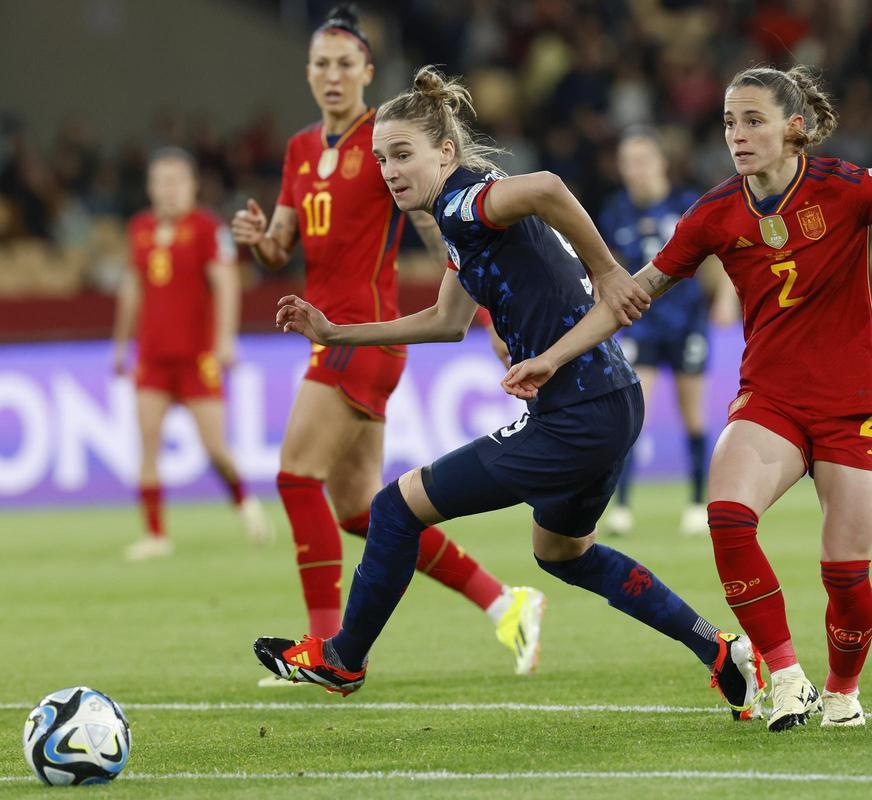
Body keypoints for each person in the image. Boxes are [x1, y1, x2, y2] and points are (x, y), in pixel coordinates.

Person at [504, 64, 872, 731]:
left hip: (854, 403)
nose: (736, 136)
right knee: (727, 516)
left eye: (752, 121)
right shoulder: (714, 213)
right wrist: (551, 357)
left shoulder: (843, 185)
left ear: (793, 128)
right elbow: (633, 294)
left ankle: (842, 691)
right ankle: (786, 676)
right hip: (770, 398)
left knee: (845, 575)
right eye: (728, 123)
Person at [251, 66, 767, 722]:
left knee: (394, 508)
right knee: (563, 553)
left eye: (403, 155)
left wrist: (609, 272)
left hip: (576, 411)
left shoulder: (464, 203)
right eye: (381, 159)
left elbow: (547, 187)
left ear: (444, 151)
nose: (389, 171)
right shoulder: (460, 213)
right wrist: (334, 331)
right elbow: (446, 322)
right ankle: (719, 649)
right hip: (608, 401)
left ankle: (343, 658)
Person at [229, 6, 543, 681]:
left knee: (294, 476)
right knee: (358, 512)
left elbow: (441, 230)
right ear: (308, 73)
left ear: (367, 71)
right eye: (321, 64)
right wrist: (260, 242)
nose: (332, 75)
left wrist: (487, 318)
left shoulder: (387, 142)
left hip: (363, 333)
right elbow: (283, 246)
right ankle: (504, 601)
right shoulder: (300, 149)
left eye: (345, 63)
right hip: (332, 334)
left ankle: (326, 649)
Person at [113, 147, 272, 561]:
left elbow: (226, 284)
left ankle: (245, 503)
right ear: (150, 187)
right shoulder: (140, 228)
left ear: (191, 186)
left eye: (176, 182)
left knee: (215, 449)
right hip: (152, 356)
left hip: (196, 356)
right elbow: (132, 289)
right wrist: (120, 344)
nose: (168, 191)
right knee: (148, 441)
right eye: (161, 182)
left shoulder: (206, 228)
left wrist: (225, 340)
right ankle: (155, 534)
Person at [596, 129, 737, 537]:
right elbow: (607, 269)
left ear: (661, 163)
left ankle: (697, 502)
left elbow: (723, 254)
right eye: (628, 163)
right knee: (632, 415)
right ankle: (621, 508)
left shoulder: (686, 203)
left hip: (687, 322)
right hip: (641, 324)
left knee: (692, 415)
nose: (635, 170)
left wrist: (726, 298)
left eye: (642, 161)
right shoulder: (616, 211)